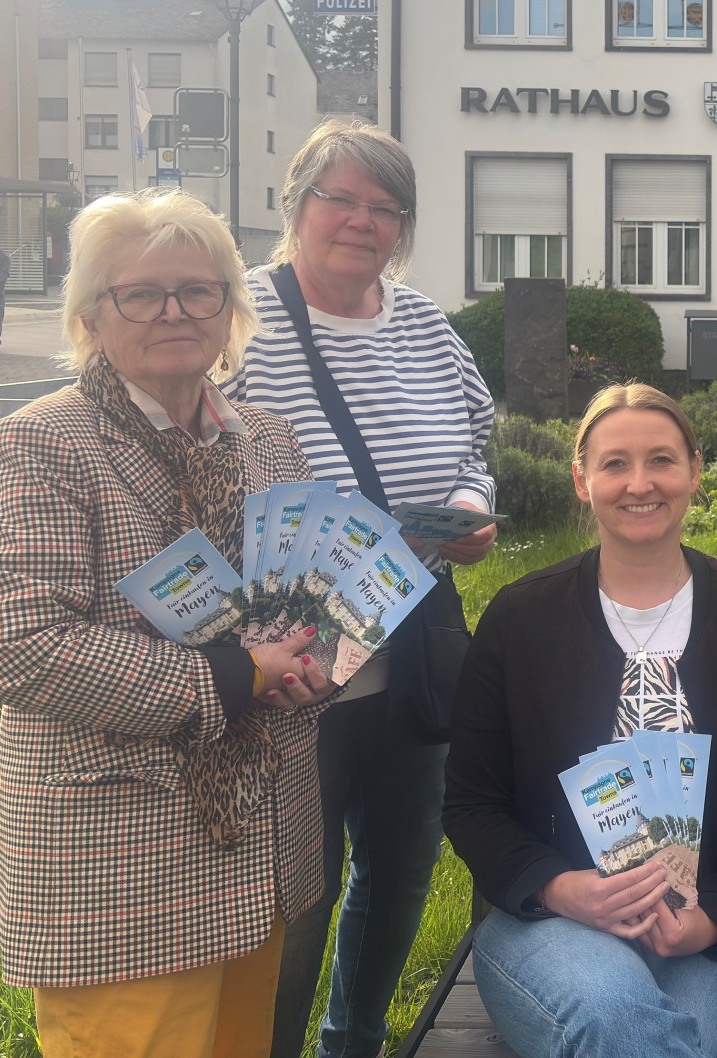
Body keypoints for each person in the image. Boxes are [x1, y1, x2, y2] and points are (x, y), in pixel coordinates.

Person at [0, 188, 335, 1058]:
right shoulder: (40, 444)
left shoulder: (270, 443)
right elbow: (16, 649)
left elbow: (307, 611)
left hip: (262, 845)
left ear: (230, 311)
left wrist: (314, 669)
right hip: (121, 866)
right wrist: (236, 678)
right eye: (141, 293)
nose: (175, 311)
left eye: (199, 290)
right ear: (93, 316)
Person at [225, 119, 499, 1058]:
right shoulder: (239, 320)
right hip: (288, 653)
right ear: (294, 205)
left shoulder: (424, 322)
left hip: (413, 633)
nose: (362, 220)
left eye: (386, 207)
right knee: (295, 882)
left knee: (403, 860)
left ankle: (357, 1041)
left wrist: (469, 503)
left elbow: (476, 435)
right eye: (340, 198)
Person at [443, 383, 717, 1058]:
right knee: (618, 1022)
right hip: (550, 923)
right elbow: (472, 803)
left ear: (695, 472)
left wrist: (715, 918)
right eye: (615, 463)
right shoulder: (519, 619)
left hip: (713, 925)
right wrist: (561, 889)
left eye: (662, 461)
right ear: (581, 480)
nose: (639, 483)